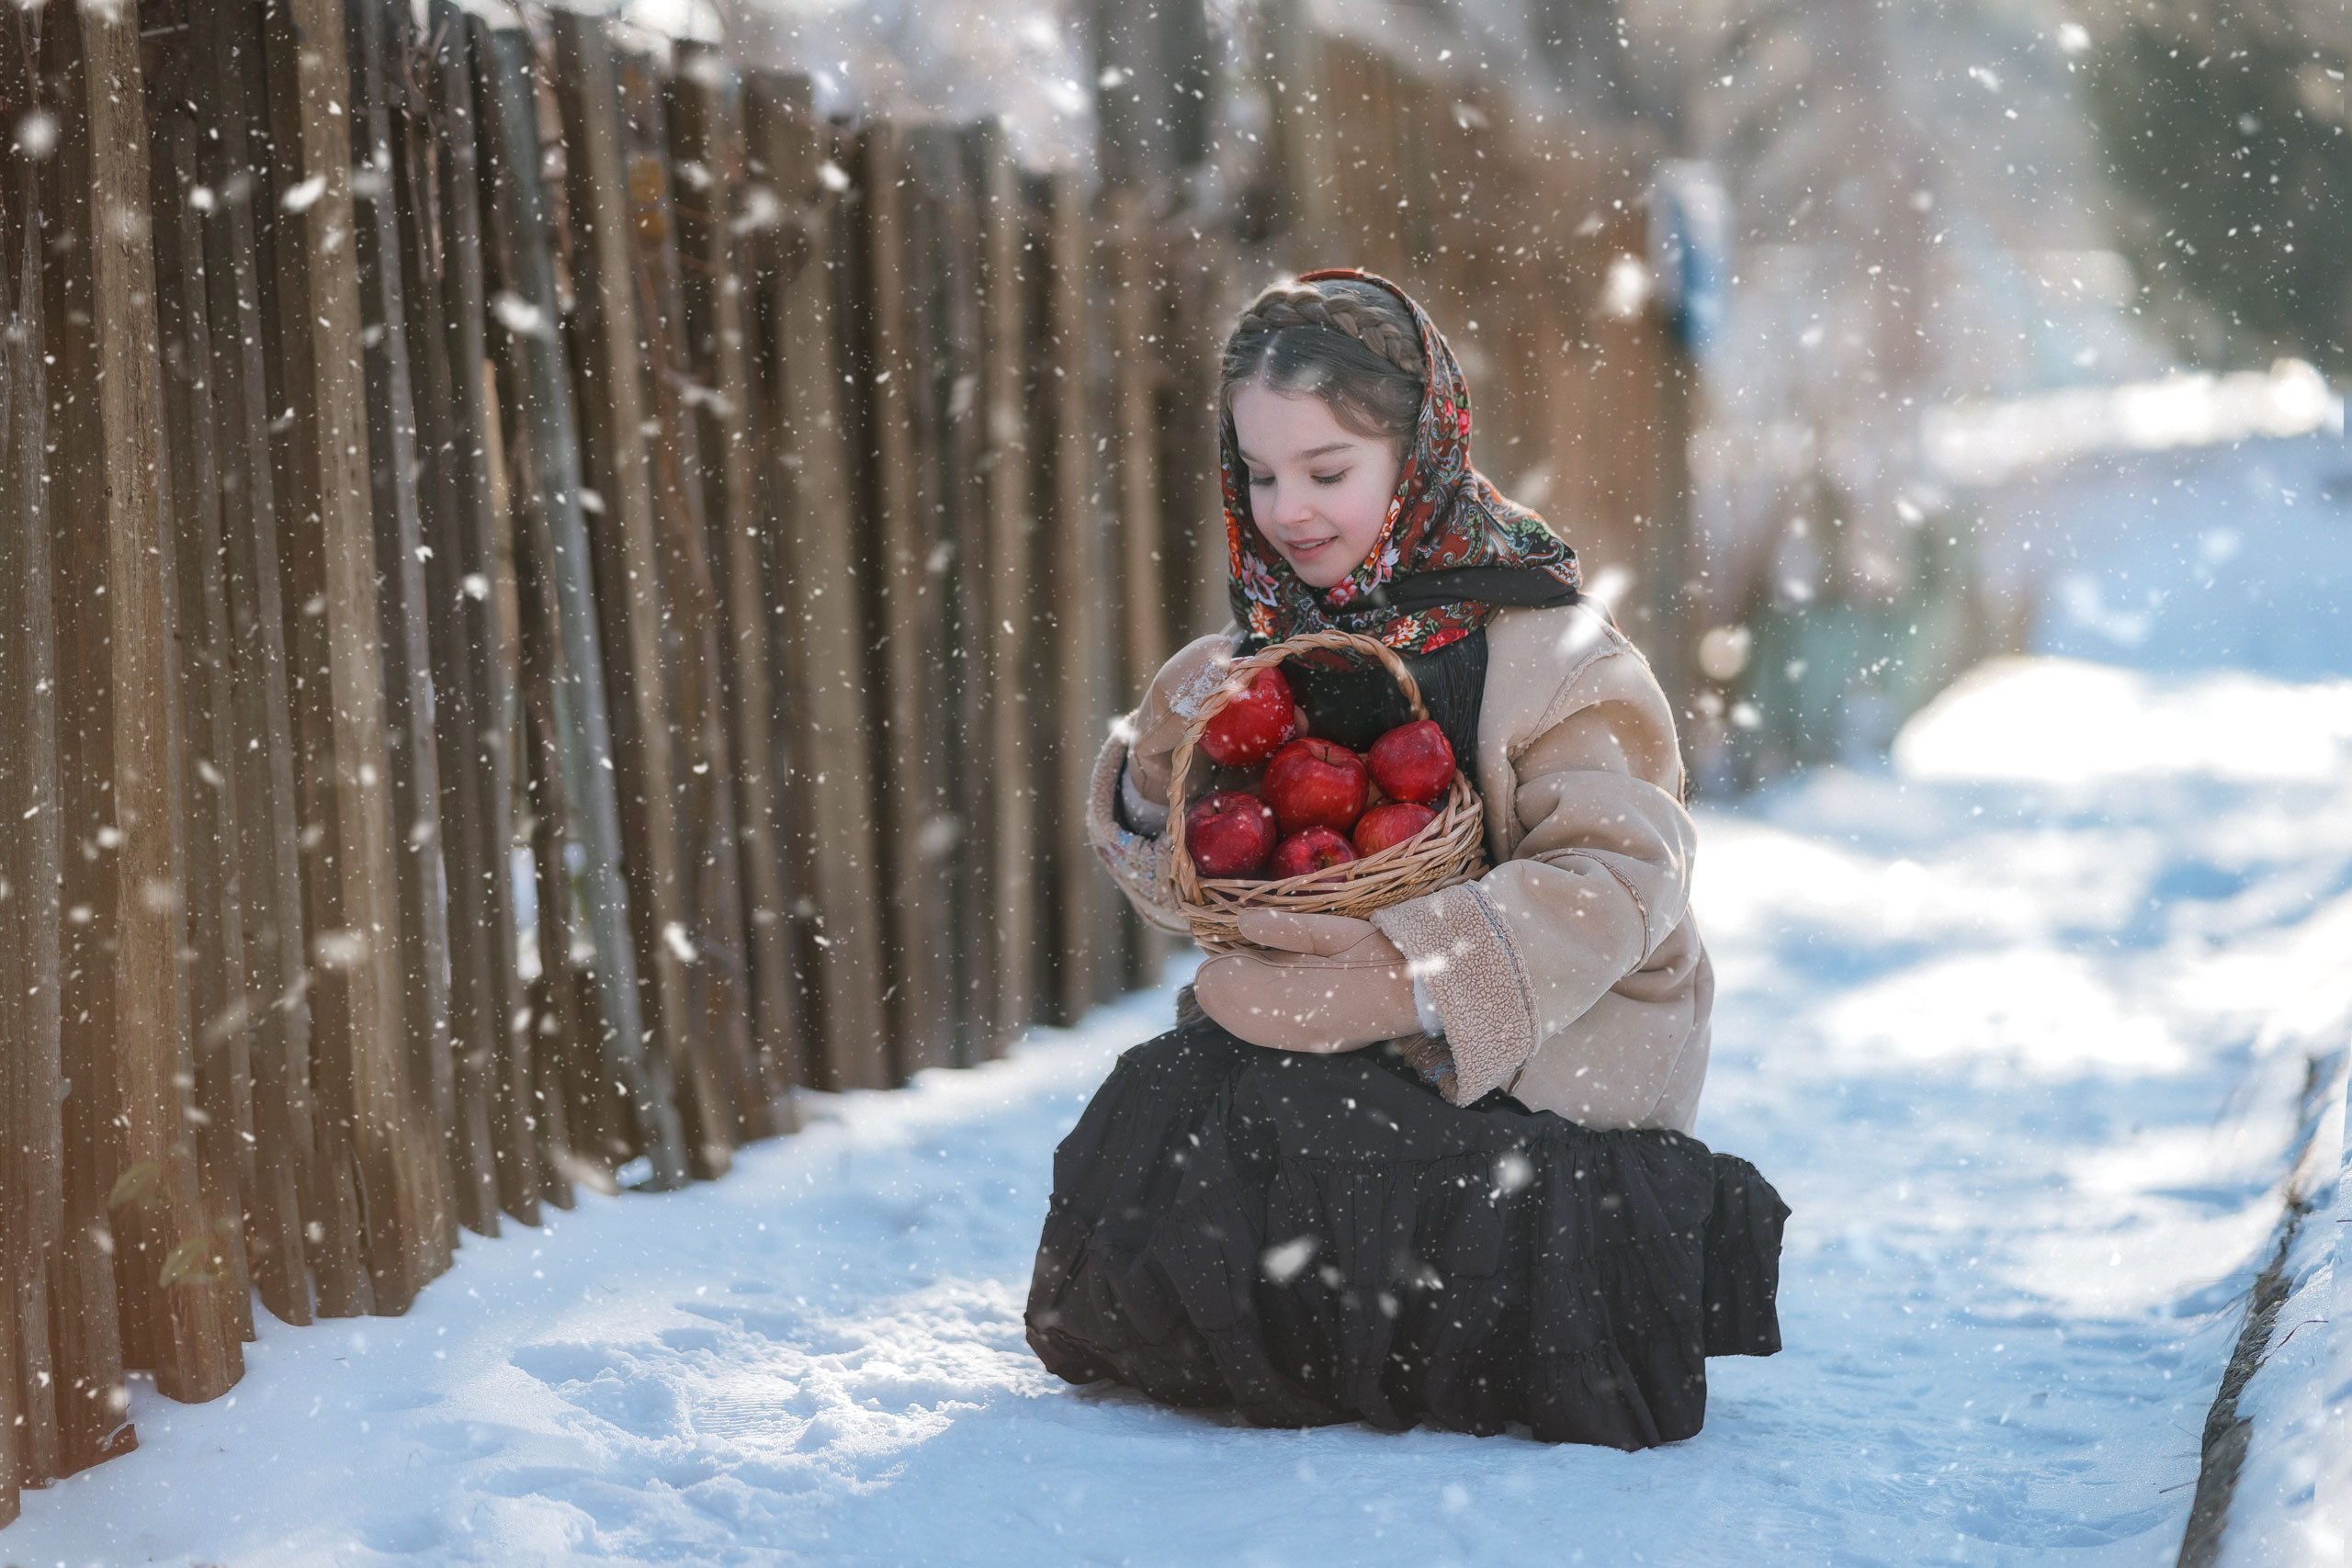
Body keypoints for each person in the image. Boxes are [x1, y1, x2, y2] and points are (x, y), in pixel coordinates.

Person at [1023, 269, 1788, 1450]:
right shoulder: (1265, 651)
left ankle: (1435, 1306)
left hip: (1540, 1068)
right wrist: (1162, 756)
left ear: (1420, 448)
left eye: (1328, 472)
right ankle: (1309, 1321)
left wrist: (1405, 979)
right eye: (1261, 475)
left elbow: (1625, 881)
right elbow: (1193, 879)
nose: (1290, 511)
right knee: (1169, 1099)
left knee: (1330, 1125)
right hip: (1325, 1049)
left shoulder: (1553, 652)